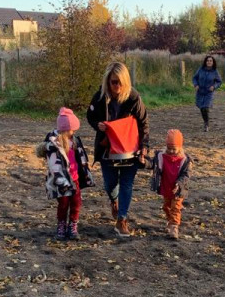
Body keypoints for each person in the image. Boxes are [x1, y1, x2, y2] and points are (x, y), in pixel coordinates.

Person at [86, 61, 149, 238]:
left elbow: (144, 123)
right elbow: (89, 116)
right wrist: (97, 125)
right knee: (110, 184)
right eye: (114, 82)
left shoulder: (134, 97)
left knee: (127, 184)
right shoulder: (100, 97)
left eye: (121, 82)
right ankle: (114, 201)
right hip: (108, 149)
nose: (118, 86)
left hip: (130, 148)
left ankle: (122, 219)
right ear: (108, 81)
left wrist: (145, 147)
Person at [37, 107, 90, 240]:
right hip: (61, 180)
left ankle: (73, 225)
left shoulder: (75, 140)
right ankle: (61, 224)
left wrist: (85, 173)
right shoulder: (54, 144)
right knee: (63, 203)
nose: (73, 132)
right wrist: (61, 181)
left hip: (75, 178)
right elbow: (53, 165)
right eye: (71, 130)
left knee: (76, 203)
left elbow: (82, 158)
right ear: (64, 129)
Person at [149, 129, 192, 240]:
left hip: (178, 189)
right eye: (169, 148)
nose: (171, 151)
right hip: (166, 187)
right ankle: (170, 221)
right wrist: (145, 161)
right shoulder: (161, 156)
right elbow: (152, 164)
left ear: (180, 147)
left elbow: (186, 175)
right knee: (166, 206)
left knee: (176, 208)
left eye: (174, 149)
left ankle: (174, 226)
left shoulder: (185, 160)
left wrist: (179, 183)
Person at [192, 55, 222, 131]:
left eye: (210, 61)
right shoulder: (200, 69)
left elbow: (219, 82)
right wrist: (196, 85)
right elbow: (195, 78)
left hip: (209, 92)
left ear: (213, 62)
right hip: (200, 91)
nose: (209, 62)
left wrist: (214, 86)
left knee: (206, 108)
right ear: (205, 62)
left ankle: (206, 124)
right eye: (208, 61)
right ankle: (205, 121)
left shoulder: (215, 71)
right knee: (201, 108)